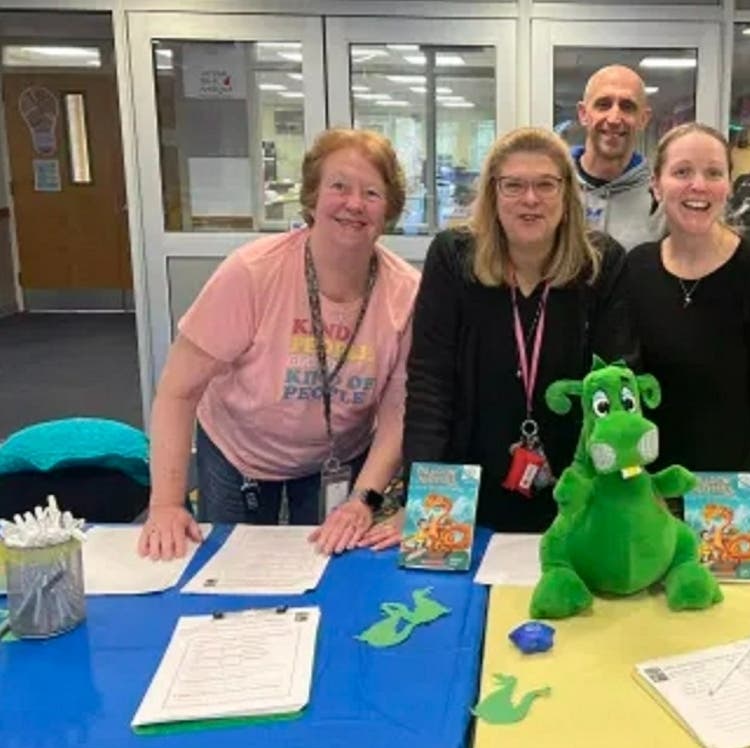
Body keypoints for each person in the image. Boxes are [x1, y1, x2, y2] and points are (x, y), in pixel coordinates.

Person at [138, 128, 420, 560]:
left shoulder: (406, 292)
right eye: (339, 187)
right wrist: (166, 505)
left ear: (391, 210)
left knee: (329, 571)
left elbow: (399, 409)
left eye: (372, 193)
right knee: (230, 572)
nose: (354, 204)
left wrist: (364, 500)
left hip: (338, 459)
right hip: (239, 454)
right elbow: (179, 391)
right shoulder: (252, 273)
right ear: (311, 197)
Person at [404, 127, 634, 533]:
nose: (530, 199)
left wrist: (609, 494)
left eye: (546, 184)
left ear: (567, 194)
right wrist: (420, 498)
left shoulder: (603, 265)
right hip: (465, 495)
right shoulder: (453, 258)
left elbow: (615, 388)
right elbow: (429, 384)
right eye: (513, 185)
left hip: (575, 493)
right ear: (493, 194)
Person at [625, 123, 750, 527]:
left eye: (713, 173)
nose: (698, 186)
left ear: (728, 185)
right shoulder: (635, 270)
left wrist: (748, 507)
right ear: (656, 185)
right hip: (650, 492)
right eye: (682, 172)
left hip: (732, 498)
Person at [573, 64, 666, 250]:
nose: (614, 119)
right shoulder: (554, 189)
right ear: (583, 114)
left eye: (627, 107)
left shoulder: (661, 200)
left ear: (643, 119)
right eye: (603, 105)